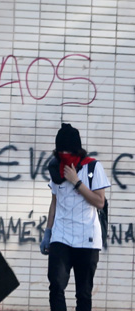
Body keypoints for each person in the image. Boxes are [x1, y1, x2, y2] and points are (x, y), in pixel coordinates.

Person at [40, 123, 110, 311]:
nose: (64, 153)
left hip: (86, 238)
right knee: (55, 285)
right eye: (61, 149)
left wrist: (76, 182)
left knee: (83, 293)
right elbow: (54, 202)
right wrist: (48, 232)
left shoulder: (93, 167)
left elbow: (99, 202)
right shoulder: (56, 168)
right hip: (61, 236)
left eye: (68, 149)